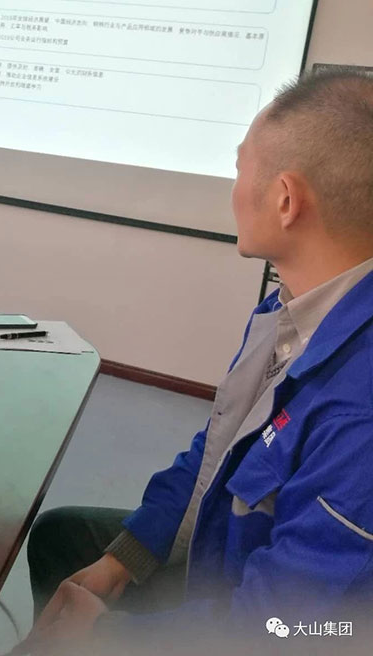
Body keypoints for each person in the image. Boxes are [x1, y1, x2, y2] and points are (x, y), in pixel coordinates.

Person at [23, 70, 373, 655]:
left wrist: (108, 635)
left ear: (285, 200)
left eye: (240, 169)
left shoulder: (360, 416)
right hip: (226, 557)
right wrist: (125, 558)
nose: (233, 190)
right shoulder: (290, 308)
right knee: (64, 537)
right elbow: (219, 449)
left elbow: (288, 631)